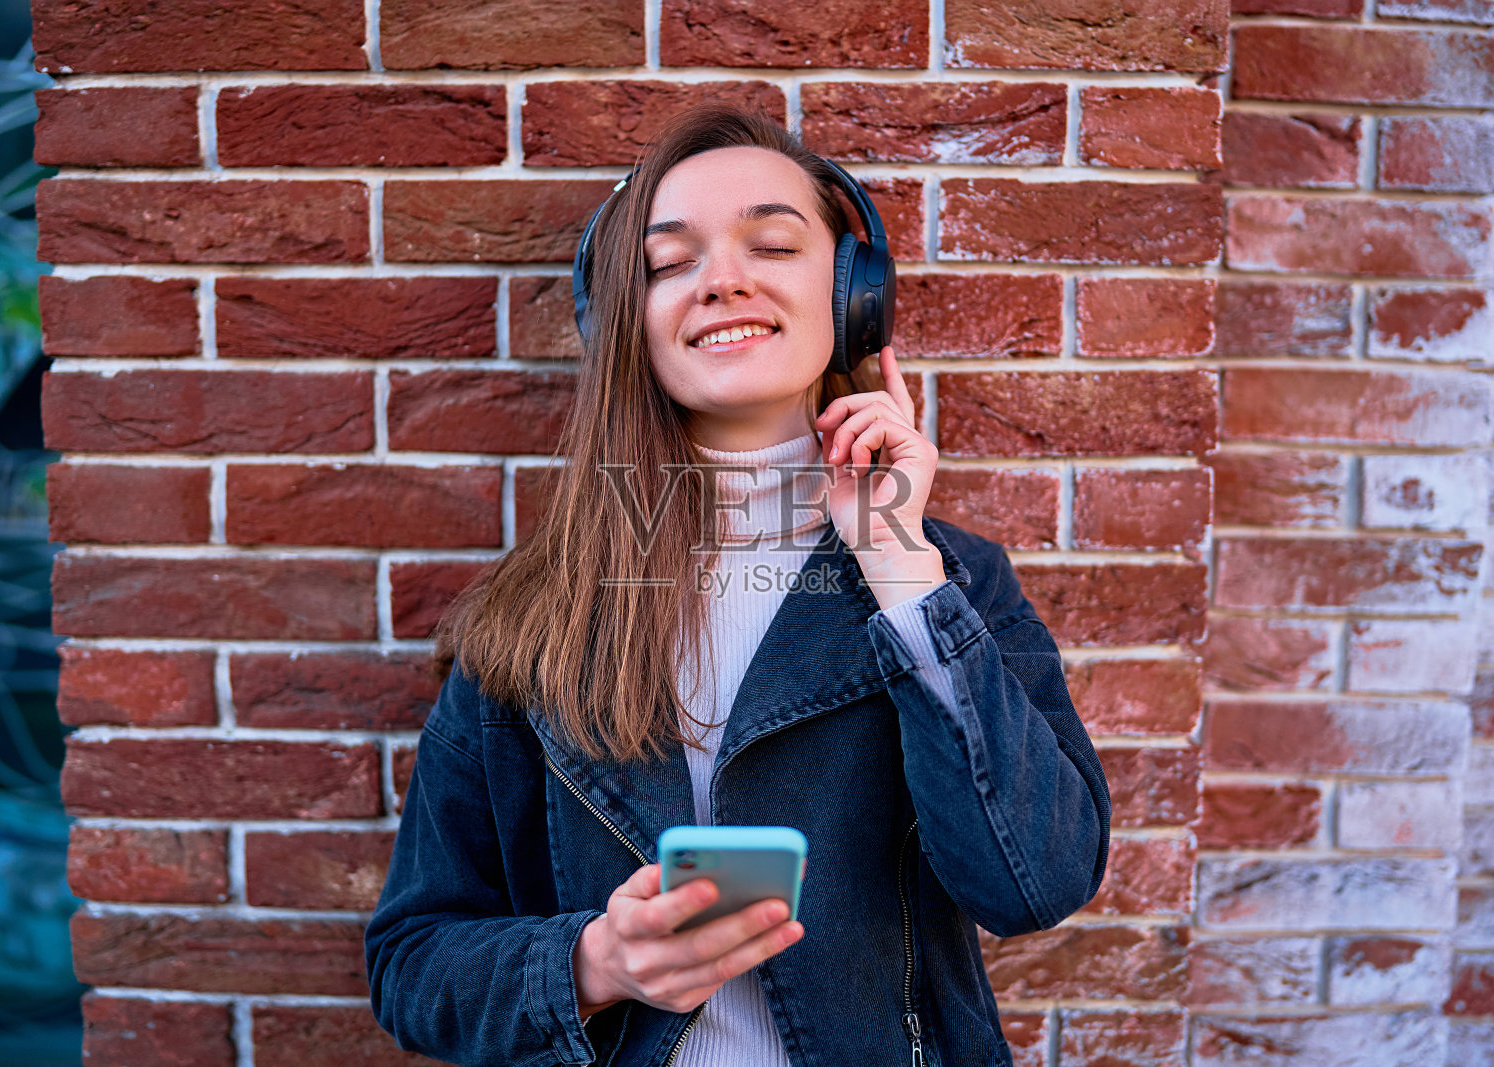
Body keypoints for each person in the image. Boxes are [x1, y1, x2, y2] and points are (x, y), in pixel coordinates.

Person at [363, 104, 1111, 1067]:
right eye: (670, 263)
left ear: (852, 295)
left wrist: (895, 562)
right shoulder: (530, 621)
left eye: (772, 244)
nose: (722, 280)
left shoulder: (948, 580)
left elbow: (1034, 883)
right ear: (625, 322)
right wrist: (593, 961)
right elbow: (411, 964)